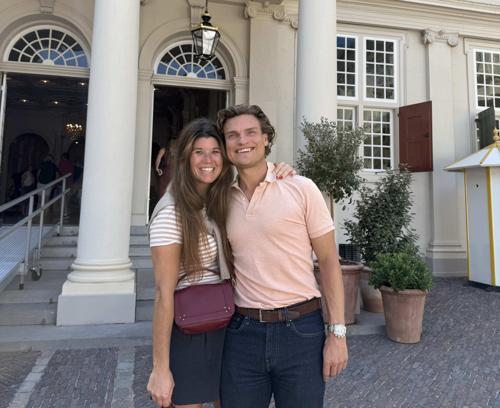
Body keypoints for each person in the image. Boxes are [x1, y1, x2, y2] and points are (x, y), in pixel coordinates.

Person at [147, 118, 294, 408]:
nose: (208, 160)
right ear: (185, 158)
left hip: (229, 325)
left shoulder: (219, 201)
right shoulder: (171, 213)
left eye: (215, 151)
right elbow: (163, 294)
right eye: (198, 152)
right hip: (191, 330)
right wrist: (160, 368)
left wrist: (279, 171)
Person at [217, 104, 348, 408]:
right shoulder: (220, 199)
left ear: (266, 138)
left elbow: (329, 262)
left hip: (301, 331)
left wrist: (338, 333)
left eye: (250, 132)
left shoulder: (301, 188)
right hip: (243, 332)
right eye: (232, 135)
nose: (242, 140)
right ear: (225, 146)